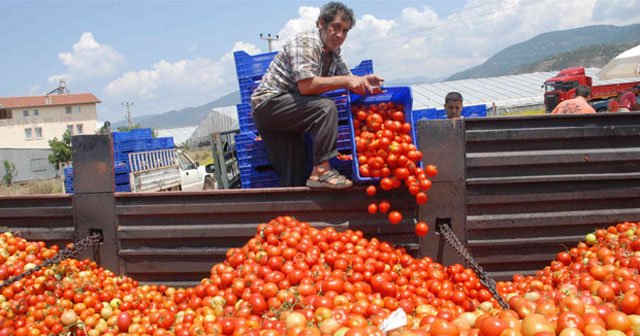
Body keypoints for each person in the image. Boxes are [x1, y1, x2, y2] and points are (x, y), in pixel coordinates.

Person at [251, 1, 384, 189]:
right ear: (321, 23)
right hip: (270, 106)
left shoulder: (333, 51)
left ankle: (295, 212)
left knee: (293, 176)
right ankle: (322, 170)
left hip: (291, 115)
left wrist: (362, 81)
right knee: (325, 107)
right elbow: (306, 86)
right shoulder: (306, 42)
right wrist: (346, 81)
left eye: (345, 31)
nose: (340, 35)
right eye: (336, 28)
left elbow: (347, 77)